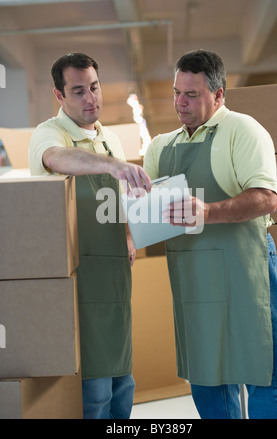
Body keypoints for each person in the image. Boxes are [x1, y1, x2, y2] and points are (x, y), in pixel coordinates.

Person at [143, 49, 277, 419]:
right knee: (205, 372)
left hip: (244, 268)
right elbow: (147, 214)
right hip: (193, 275)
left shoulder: (243, 131)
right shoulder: (160, 146)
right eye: (177, 92)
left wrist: (207, 211)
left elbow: (266, 198)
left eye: (192, 94)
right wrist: (132, 230)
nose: (181, 102)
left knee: (261, 367)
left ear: (219, 94)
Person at [29, 52, 151, 419]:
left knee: (122, 387)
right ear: (59, 95)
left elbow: (116, 200)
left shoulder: (110, 138)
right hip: (78, 279)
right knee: (94, 393)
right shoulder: (50, 133)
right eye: (78, 90)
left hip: (114, 278)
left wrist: (128, 235)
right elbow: (56, 158)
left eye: (94, 87)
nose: (90, 98)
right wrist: (114, 166)